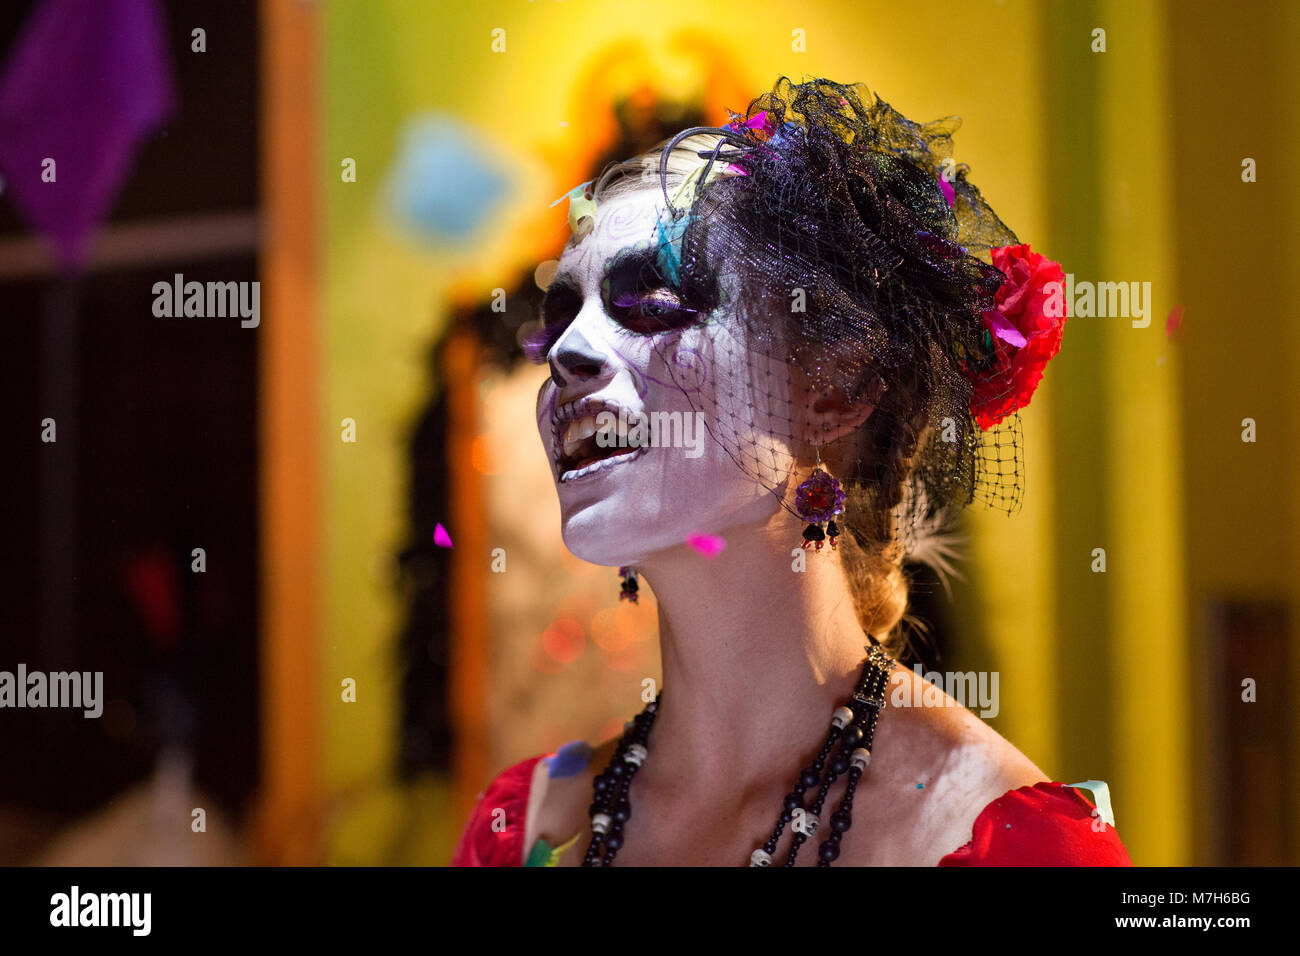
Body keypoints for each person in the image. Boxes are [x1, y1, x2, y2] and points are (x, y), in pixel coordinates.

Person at [452, 77, 1131, 866]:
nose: (565, 353)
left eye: (655, 302)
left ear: (835, 388)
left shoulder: (1007, 842)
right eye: (562, 314)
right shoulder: (522, 826)